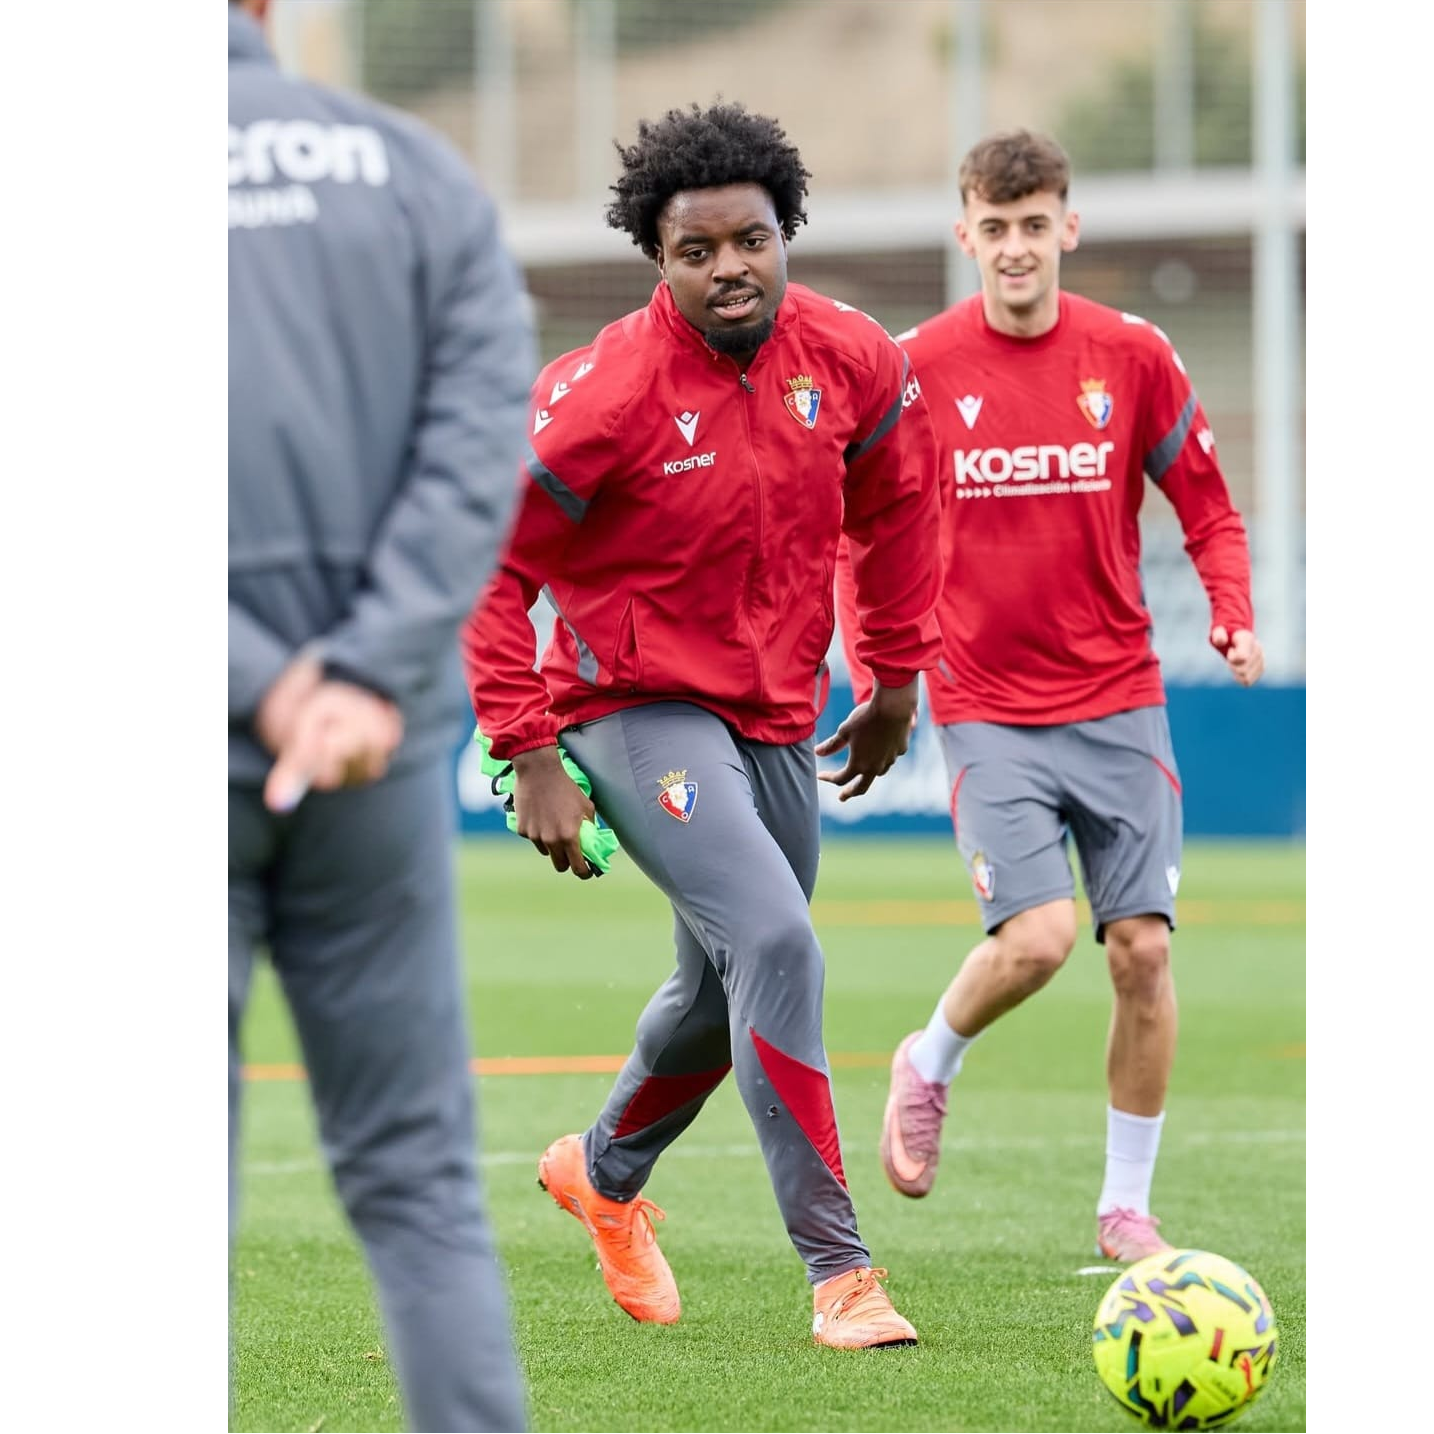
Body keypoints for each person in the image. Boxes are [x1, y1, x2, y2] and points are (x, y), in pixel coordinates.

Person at [460, 100, 944, 1349]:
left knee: (715, 986)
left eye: (752, 240)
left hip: (777, 712)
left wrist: (893, 678)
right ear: (657, 257)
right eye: (697, 250)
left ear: (786, 234)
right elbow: (488, 569)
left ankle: (601, 1174)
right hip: (633, 705)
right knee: (776, 941)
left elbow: (900, 511)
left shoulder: (855, 360)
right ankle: (842, 1274)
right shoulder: (603, 393)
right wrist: (527, 749)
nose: (730, 267)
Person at [839, 128, 1266, 1262]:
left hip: (1120, 697)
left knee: (1143, 953)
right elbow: (857, 530)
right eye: (996, 228)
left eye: (1035, 225)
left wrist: (1230, 609)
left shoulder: (1132, 355)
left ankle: (1126, 1208)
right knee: (1037, 938)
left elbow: (1210, 509)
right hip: (986, 704)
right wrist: (876, 672)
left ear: (1068, 227)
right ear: (965, 235)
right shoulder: (917, 369)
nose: (1017, 247)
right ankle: (929, 1059)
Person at [227, 1, 534, 1428]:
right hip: (374, 753)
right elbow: (476, 453)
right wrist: (358, 672)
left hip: (292, 719)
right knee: (419, 1186)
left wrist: (264, 680)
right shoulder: (417, 174)